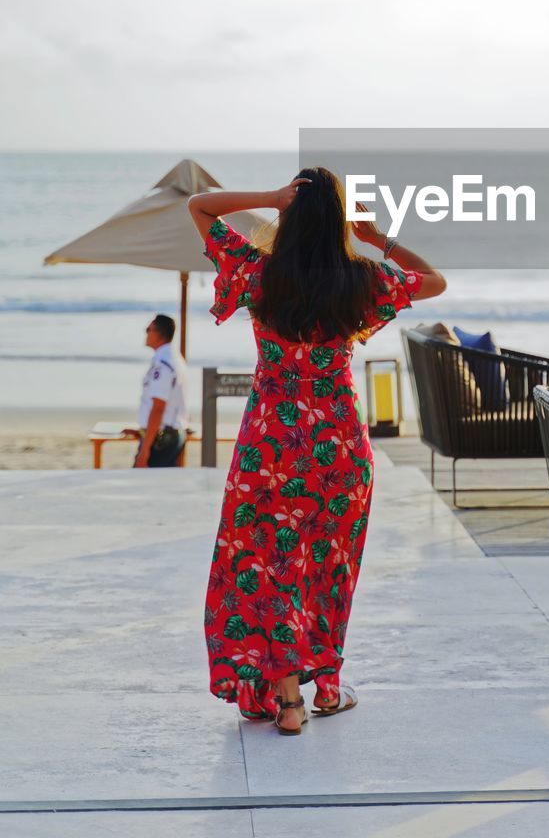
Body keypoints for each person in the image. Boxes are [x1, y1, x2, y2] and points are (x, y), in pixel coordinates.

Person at [188, 168, 446, 734]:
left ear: (289, 217)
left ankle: (286, 699)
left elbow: (201, 206)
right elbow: (433, 281)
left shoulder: (258, 273)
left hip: (270, 446)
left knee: (268, 562)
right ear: (338, 224)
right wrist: (376, 236)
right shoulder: (362, 280)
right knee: (326, 568)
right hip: (339, 450)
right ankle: (322, 686)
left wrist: (270, 199)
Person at [134, 314, 188, 468]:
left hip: (162, 439)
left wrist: (145, 450)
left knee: (144, 487)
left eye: (148, 329)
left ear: (158, 334)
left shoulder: (164, 363)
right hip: (166, 435)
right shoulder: (173, 357)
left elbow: (158, 406)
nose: (146, 333)